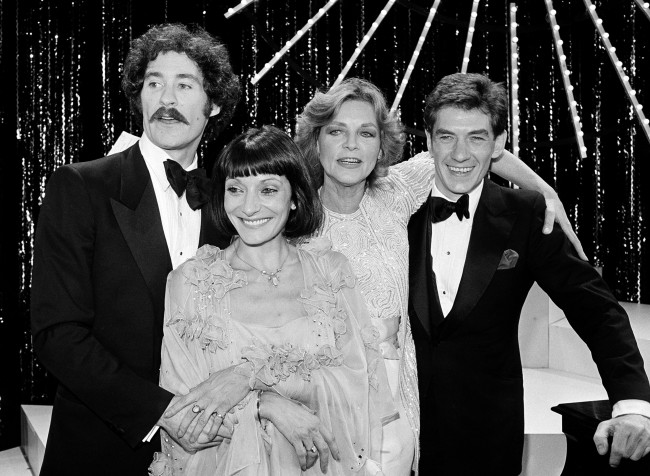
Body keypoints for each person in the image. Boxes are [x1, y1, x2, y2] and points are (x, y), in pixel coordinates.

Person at [294, 77, 586, 474]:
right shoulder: (292, 221)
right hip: (324, 410)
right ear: (316, 140)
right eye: (336, 131)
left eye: (365, 133)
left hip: (399, 411)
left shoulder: (395, 193)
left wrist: (544, 190)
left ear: (381, 145)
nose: (350, 146)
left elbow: (471, 148)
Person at [408, 72, 650, 475]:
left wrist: (633, 404)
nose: (460, 153)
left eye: (477, 137)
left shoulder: (526, 215)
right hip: (393, 435)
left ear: (499, 144)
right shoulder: (393, 209)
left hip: (487, 436)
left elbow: (595, 309)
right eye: (447, 137)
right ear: (429, 142)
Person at [30, 23, 240, 475]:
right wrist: (162, 412)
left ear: (215, 103)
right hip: (102, 451)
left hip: (218, 451)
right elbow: (57, 334)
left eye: (185, 86)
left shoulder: (236, 203)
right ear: (139, 97)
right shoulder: (81, 186)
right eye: (153, 84)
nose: (167, 100)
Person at [149, 125, 395, 475]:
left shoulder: (331, 273)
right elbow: (185, 419)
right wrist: (265, 405)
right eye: (236, 189)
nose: (249, 207)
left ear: (294, 197)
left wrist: (247, 377)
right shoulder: (191, 283)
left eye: (267, 189)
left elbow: (357, 392)